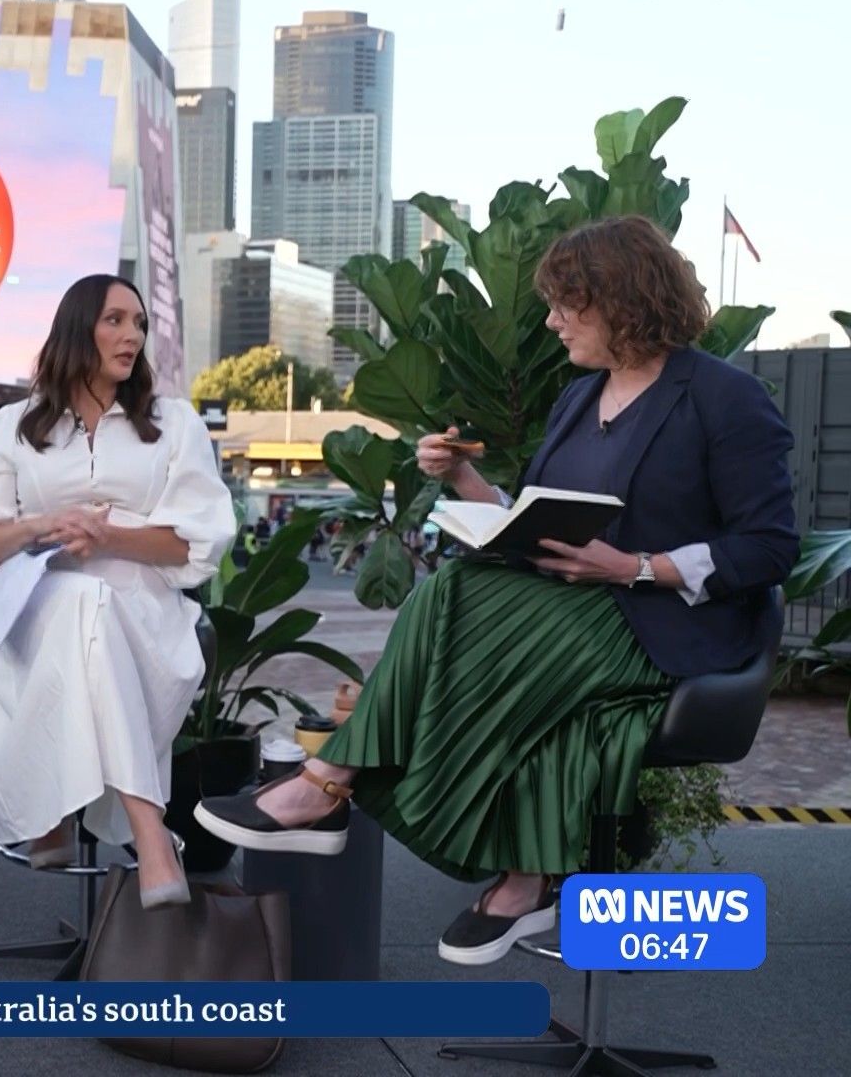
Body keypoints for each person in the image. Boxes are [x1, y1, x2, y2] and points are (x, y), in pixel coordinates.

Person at [197, 214, 797, 965]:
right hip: (562, 610)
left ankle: (328, 784)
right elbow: (532, 521)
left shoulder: (724, 398)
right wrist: (460, 476)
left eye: (566, 304)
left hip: (660, 625)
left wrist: (634, 567)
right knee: (462, 588)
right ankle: (515, 879)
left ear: (622, 298)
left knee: (453, 592)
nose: (551, 321)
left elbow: (770, 548)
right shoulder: (580, 399)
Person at [0, 274, 234, 910]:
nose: (132, 336)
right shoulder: (16, 425)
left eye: (139, 323)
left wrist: (108, 537)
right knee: (76, 601)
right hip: (31, 608)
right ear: (79, 328)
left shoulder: (175, 424)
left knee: (90, 604)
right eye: (115, 320)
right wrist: (42, 525)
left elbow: (195, 545)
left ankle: (55, 809)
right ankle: (150, 832)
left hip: (142, 612)